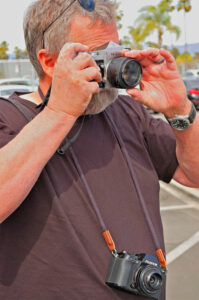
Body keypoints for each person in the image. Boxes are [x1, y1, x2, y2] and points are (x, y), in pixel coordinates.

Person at [0, 1, 199, 299]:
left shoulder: (128, 113)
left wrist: (181, 111)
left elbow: (193, 174)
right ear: (49, 61)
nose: (111, 69)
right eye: (97, 57)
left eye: (115, 53)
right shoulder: (8, 117)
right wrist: (59, 113)